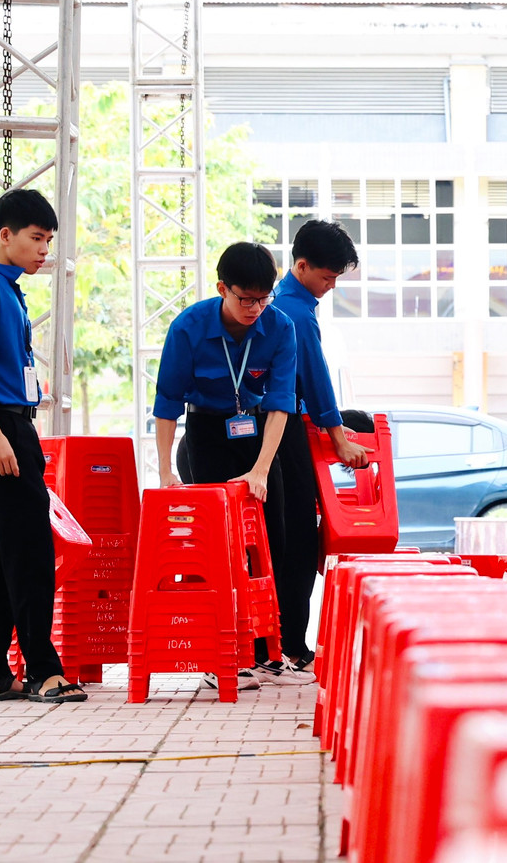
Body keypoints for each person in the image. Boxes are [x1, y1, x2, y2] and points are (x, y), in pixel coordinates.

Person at [152, 241, 312, 688]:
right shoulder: (188, 328)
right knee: (220, 549)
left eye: (264, 298)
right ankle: (218, 655)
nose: (255, 308)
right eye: (246, 298)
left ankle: (265, 651)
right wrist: (166, 473)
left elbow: (281, 404)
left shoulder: (279, 326)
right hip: (206, 437)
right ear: (223, 288)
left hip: (258, 437)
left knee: (271, 543)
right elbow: (167, 406)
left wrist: (262, 470)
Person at [0, 189, 87, 704]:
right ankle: (44, 671)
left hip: (13, 426)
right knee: (30, 549)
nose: (43, 251)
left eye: (48, 241)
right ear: (5, 235)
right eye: (35, 239)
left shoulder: (9, 289)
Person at [271, 220, 369, 673]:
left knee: (280, 537)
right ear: (302, 265)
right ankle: (290, 643)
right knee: (296, 540)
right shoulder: (295, 310)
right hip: (284, 425)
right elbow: (314, 379)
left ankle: (278, 643)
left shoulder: (286, 302)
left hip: (276, 423)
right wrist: (338, 436)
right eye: (327, 278)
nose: (331, 287)